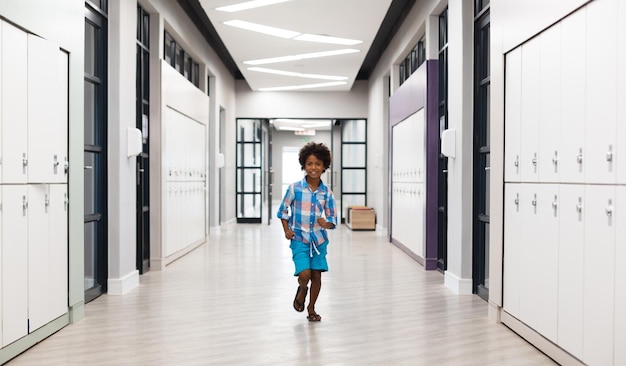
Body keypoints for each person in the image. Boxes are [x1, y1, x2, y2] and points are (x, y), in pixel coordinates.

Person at [277, 142, 337, 322]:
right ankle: (302, 289)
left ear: (324, 166)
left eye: (318, 164)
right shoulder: (294, 188)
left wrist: (326, 223)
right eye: (310, 163)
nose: (313, 168)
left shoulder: (327, 193)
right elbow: (283, 211)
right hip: (299, 238)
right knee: (305, 275)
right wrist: (287, 230)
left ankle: (311, 308)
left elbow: (333, 219)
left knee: (317, 275)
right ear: (304, 165)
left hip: (319, 240)